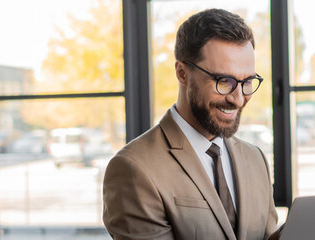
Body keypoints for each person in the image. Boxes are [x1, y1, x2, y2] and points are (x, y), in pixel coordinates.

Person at [102, 9, 279, 240]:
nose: (238, 99)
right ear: (182, 73)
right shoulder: (134, 168)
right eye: (224, 82)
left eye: (247, 82)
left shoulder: (255, 159)